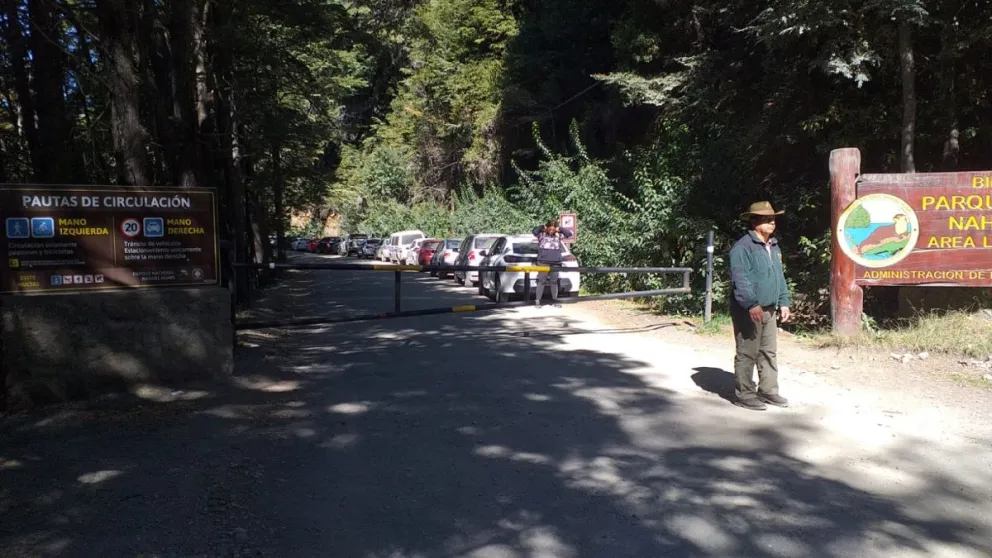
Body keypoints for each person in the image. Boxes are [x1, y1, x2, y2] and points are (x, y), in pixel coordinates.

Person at [729, 201, 792, 411]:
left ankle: (768, 390)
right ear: (754, 222)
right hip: (749, 310)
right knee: (747, 352)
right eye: (766, 219)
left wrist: (784, 302)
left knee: (768, 352)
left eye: (773, 219)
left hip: (770, 309)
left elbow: (779, 277)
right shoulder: (742, 247)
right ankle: (745, 394)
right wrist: (751, 304)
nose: (772, 222)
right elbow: (740, 280)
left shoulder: (773, 246)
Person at [532, 219, 573, 307]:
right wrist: (542, 227)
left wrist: (560, 228)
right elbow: (534, 231)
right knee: (541, 281)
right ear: (547, 228)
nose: (551, 231)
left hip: (556, 262)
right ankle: (538, 301)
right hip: (543, 262)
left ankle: (555, 301)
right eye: (550, 229)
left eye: (553, 229)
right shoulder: (541, 235)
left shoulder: (559, 235)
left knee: (554, 282)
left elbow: (569, 234)